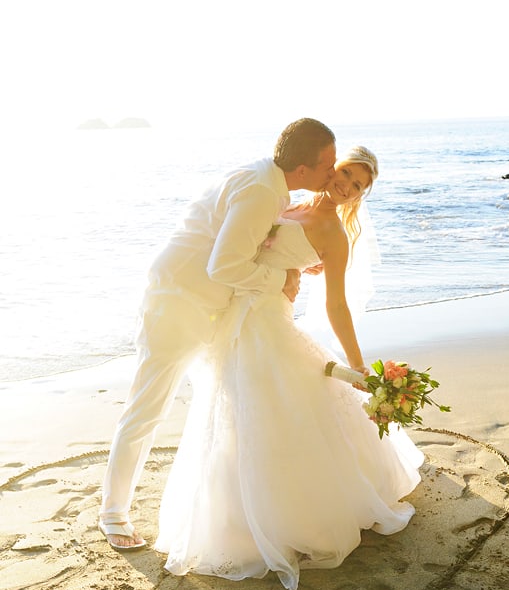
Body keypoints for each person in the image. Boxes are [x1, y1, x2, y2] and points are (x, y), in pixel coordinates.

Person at [154, 146, 425, 590]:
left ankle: (289, 517)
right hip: (234, 316)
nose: (347, 186)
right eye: (346, 173)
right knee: (232, 410)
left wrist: (358, 367)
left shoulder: (334, 234)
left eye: (358, 185)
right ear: (328, 166)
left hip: (269, 322)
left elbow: (335, 303)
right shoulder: (284, 203)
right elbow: (236, 244)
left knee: (271, 408)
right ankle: (236, 511)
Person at [99, 118, 337, 550]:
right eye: (327, 166)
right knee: (147, 410)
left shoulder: (266, 180)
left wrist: (298, 259)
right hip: (179, 305)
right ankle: (113, 514)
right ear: (302, 169)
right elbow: (224, 266)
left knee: (228, 408)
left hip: (213, 310)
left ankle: (231, 513)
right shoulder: (262, 190)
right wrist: (283, 276)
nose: (331, 176)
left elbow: (253, 236)